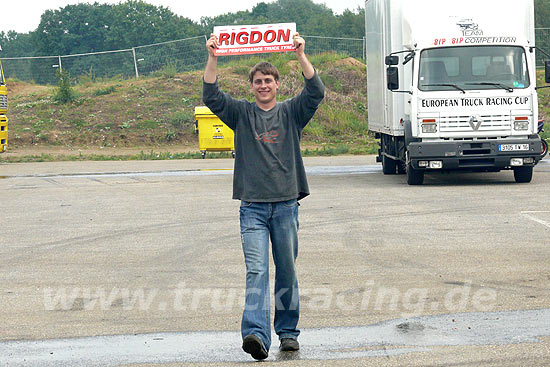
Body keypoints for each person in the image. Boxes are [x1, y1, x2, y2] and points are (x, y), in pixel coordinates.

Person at [202, 32, 324, 361]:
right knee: (256, 271)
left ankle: (287, 333)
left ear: (277, 84)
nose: (263, 85)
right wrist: (213, 56)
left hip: (286, 206)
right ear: (251, 86)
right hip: (252, 208)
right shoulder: (241, 114)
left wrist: (300, 54)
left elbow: (316, 92)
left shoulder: (291, 113)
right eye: (258, 81)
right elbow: (211, 96)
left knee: (286, 270)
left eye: (268, 80)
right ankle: (256, 334)